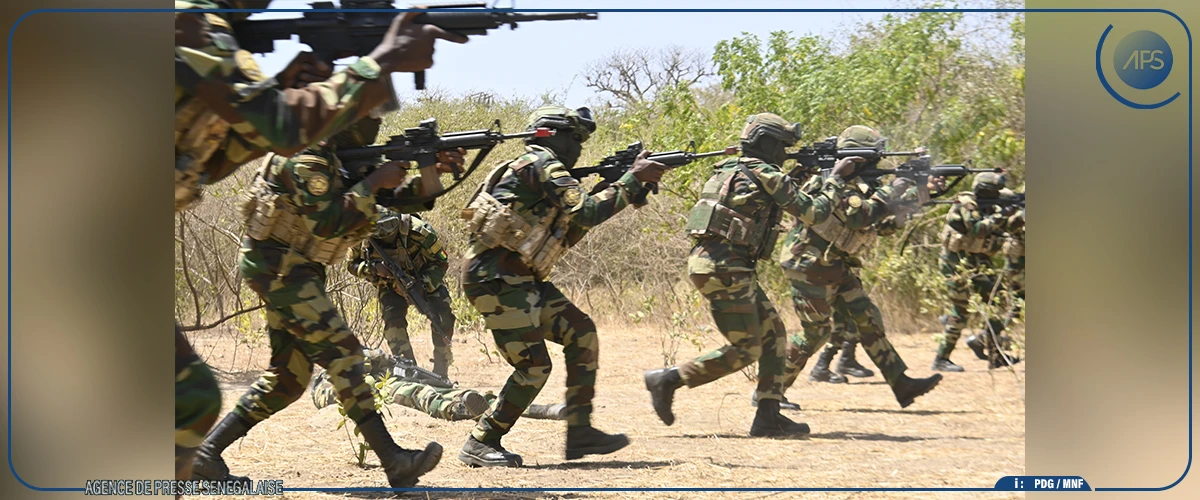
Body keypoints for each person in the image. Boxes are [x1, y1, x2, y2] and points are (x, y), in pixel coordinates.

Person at [174, 0, 465, 482]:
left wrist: (431, 170)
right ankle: (394, 460)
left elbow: (409, 200)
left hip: (295, 267)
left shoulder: (344, 161)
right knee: (344, 353)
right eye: (366, 109)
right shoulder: (309, 156)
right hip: (279, 265)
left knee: (287, 379)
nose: (372, 117)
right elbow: (332, 221)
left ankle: (205, 454)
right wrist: (373, 185)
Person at [457, 105, 668, 467]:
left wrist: (620, 186)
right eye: (576, 138)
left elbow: (574, 226)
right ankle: (482, 439)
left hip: (518, 278)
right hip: (495, 278)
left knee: (581, 332)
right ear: (553, 134)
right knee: (534, 365)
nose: (580, 147)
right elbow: (586, 211)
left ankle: (580, 431)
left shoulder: (542, 172)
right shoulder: (541, 162)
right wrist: (630, 180)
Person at [642, 113, 856, 438]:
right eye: (783, 146)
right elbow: (814, 213)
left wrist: (798, 175)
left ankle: (768, 417)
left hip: (721, 263)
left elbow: (763, 200)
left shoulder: (732, 168)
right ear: (768, 144)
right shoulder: (766, 172)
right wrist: (837, 179)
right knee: (747, 348)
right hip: (725, 266)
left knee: (774, 336)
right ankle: (669, 379)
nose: (786, 154)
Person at [776, 125, 943, 409]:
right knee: (815, 333)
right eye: (873, 156)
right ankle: (770, 392)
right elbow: (860, 217)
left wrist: (923, 192)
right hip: (808, 264)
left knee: (868, 318)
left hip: (835, 264)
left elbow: (885, 222)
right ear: (856, 159)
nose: (878, 162)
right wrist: (899, 184)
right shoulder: (829, 181)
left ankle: (901, 383)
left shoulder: (860, 186)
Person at [309, 349, 566, 422]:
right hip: (381, 390)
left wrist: (385, 362)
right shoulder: (323, 386)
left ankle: (540, 409)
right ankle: (459, 409)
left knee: (447, 389)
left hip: (385, 383)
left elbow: (373, 359)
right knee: (420, 393)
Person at [348, 209, 456, 377]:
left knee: (443, 318)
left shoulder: (419, 231)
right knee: (393, 322)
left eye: (388, 226)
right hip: (389, 285)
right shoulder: (362, 234)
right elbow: (352, 264)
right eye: (378, 229)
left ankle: (441, 372)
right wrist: (373, 268)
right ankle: (409, 372)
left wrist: (424, 284)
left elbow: (441, 261)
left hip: (423, 279)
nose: (383, 233)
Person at [935, 174, 1023, 370]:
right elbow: (977, 229)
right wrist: (1005, 213)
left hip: (977, 261)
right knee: (961, 310)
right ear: (986, 191)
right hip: (955, 262)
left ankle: (995, 354)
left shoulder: (991, 205)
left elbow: (1005, 218)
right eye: (994, 191)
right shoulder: (967, 204)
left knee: (997, 302)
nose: (998, 194)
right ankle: (941, 359)